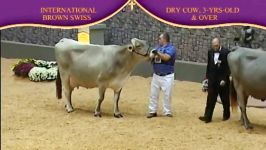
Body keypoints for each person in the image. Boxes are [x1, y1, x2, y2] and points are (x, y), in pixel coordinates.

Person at [199, 38, 231, 123]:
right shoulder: (210, 52)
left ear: (219, 44)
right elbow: (209, 66)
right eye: (213, 46)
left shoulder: (226, 52)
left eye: (216, 45)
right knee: (210, 99)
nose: (215, 47)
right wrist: (206, 78)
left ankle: (226, 115)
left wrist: (224, 79)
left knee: (225, 99)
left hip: (222, 81)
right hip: (212, 79)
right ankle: (207, 116)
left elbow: (228, 67)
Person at [147, 33, 176, 118]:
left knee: (167, 95)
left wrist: (158, 53)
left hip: (167, 76)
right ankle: (152, 111)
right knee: (153, 94)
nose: (158, 40)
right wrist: (152, 55)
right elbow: (151, 57)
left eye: (160, 38)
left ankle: (167, 112)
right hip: (156, 75)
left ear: (164, 39)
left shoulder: (171, 48)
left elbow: (166, 58)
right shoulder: (157, 47)